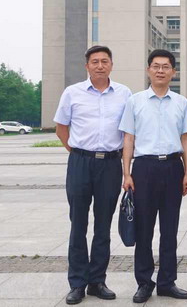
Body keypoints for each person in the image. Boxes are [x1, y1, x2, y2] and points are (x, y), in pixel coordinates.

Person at [54, 45, 132, 305]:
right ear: (87, 66)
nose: (100, 65)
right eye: (95, 61)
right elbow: (61, 128)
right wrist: (77, 151)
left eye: (104, 61)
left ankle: (97, 281)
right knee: (78, 223)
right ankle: (77, 283)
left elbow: (128, 132)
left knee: (103, 225)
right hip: (80, 162)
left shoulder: (124, 93)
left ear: (111, 65)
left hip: (110, 164)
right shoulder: (72, 92)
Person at [119, 49, 187, 304]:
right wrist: (126, 173)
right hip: (144, 169)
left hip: (173, 168)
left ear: (173, 71)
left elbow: (186, 139)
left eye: (166, 66)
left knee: (170, 229)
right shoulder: (135, 101)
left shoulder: (181, 102)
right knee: (144, 229)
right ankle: (144, 282)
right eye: (156, 66)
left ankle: (167, 282)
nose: (160, 70)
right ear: (148, 70)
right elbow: (128, 138)